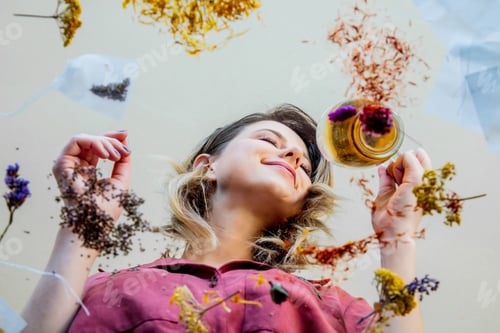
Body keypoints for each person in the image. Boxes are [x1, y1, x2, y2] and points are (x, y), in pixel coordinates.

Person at [21, 103, 431, 333]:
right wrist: (83, 225)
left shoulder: (334, 306)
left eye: (304, 165)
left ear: (300, 205)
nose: (292, 156)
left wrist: (398, 238)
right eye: (268, 141)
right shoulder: (100, 290)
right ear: (207, 166)